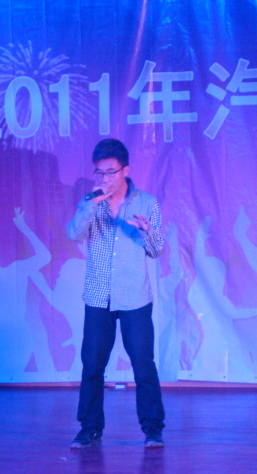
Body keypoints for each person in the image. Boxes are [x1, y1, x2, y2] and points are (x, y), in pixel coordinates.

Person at [67, 138, 166, 448]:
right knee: (92, 364)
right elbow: (73, 233)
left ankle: (153, 429)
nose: (105, 179)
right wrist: (90, 206)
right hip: (98, 295)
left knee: (143, 364)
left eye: (111, 172)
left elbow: (156, 251)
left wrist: (149, 233)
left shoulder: (146, 203)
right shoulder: (90, 201)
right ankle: (89, 428)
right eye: (100, 172)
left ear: (125, 170)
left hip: (134, 296)